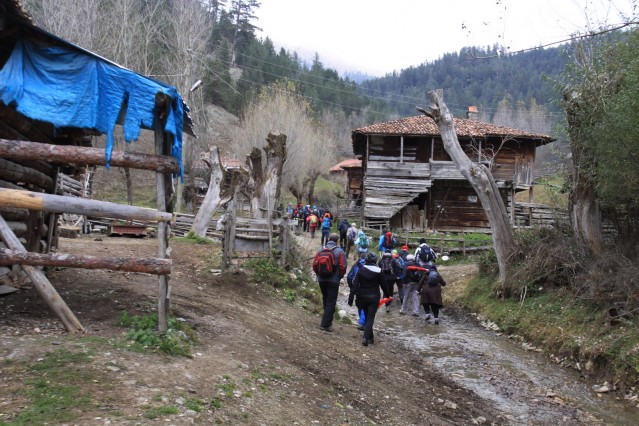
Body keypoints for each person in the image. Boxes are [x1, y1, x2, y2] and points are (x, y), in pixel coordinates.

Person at [348, 251, 387, 346]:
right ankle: (365, 338)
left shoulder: (361, 270)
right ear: (375, 260)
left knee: (366, 316)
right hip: (374, 297)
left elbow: (355, 284)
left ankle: (370, 338)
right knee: (370, 318)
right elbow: (384, 285)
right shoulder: (379, 271)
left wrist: (351, 297)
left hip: (362, 296)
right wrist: (387, 295)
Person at [314, 233, 347, 332]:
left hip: (321, 279)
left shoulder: (321, 249)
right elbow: (343, 267)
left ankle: (327, 321)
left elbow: (314, 264)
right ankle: (325, 324)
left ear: (328, 239)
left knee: (325, 299)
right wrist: (339, 276)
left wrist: (318, 274)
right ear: (337, 241)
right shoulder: (340, 251)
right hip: (333, 280)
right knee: (331, 301)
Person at [346, 256, 366, 330]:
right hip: (367, 288)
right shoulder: (369, 265)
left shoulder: (356, 265)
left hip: (357, 288)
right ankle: (362, 322)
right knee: (365, 305)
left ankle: (361, 321)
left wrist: (351, 286)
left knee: (359, 305)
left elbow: (349, 277)